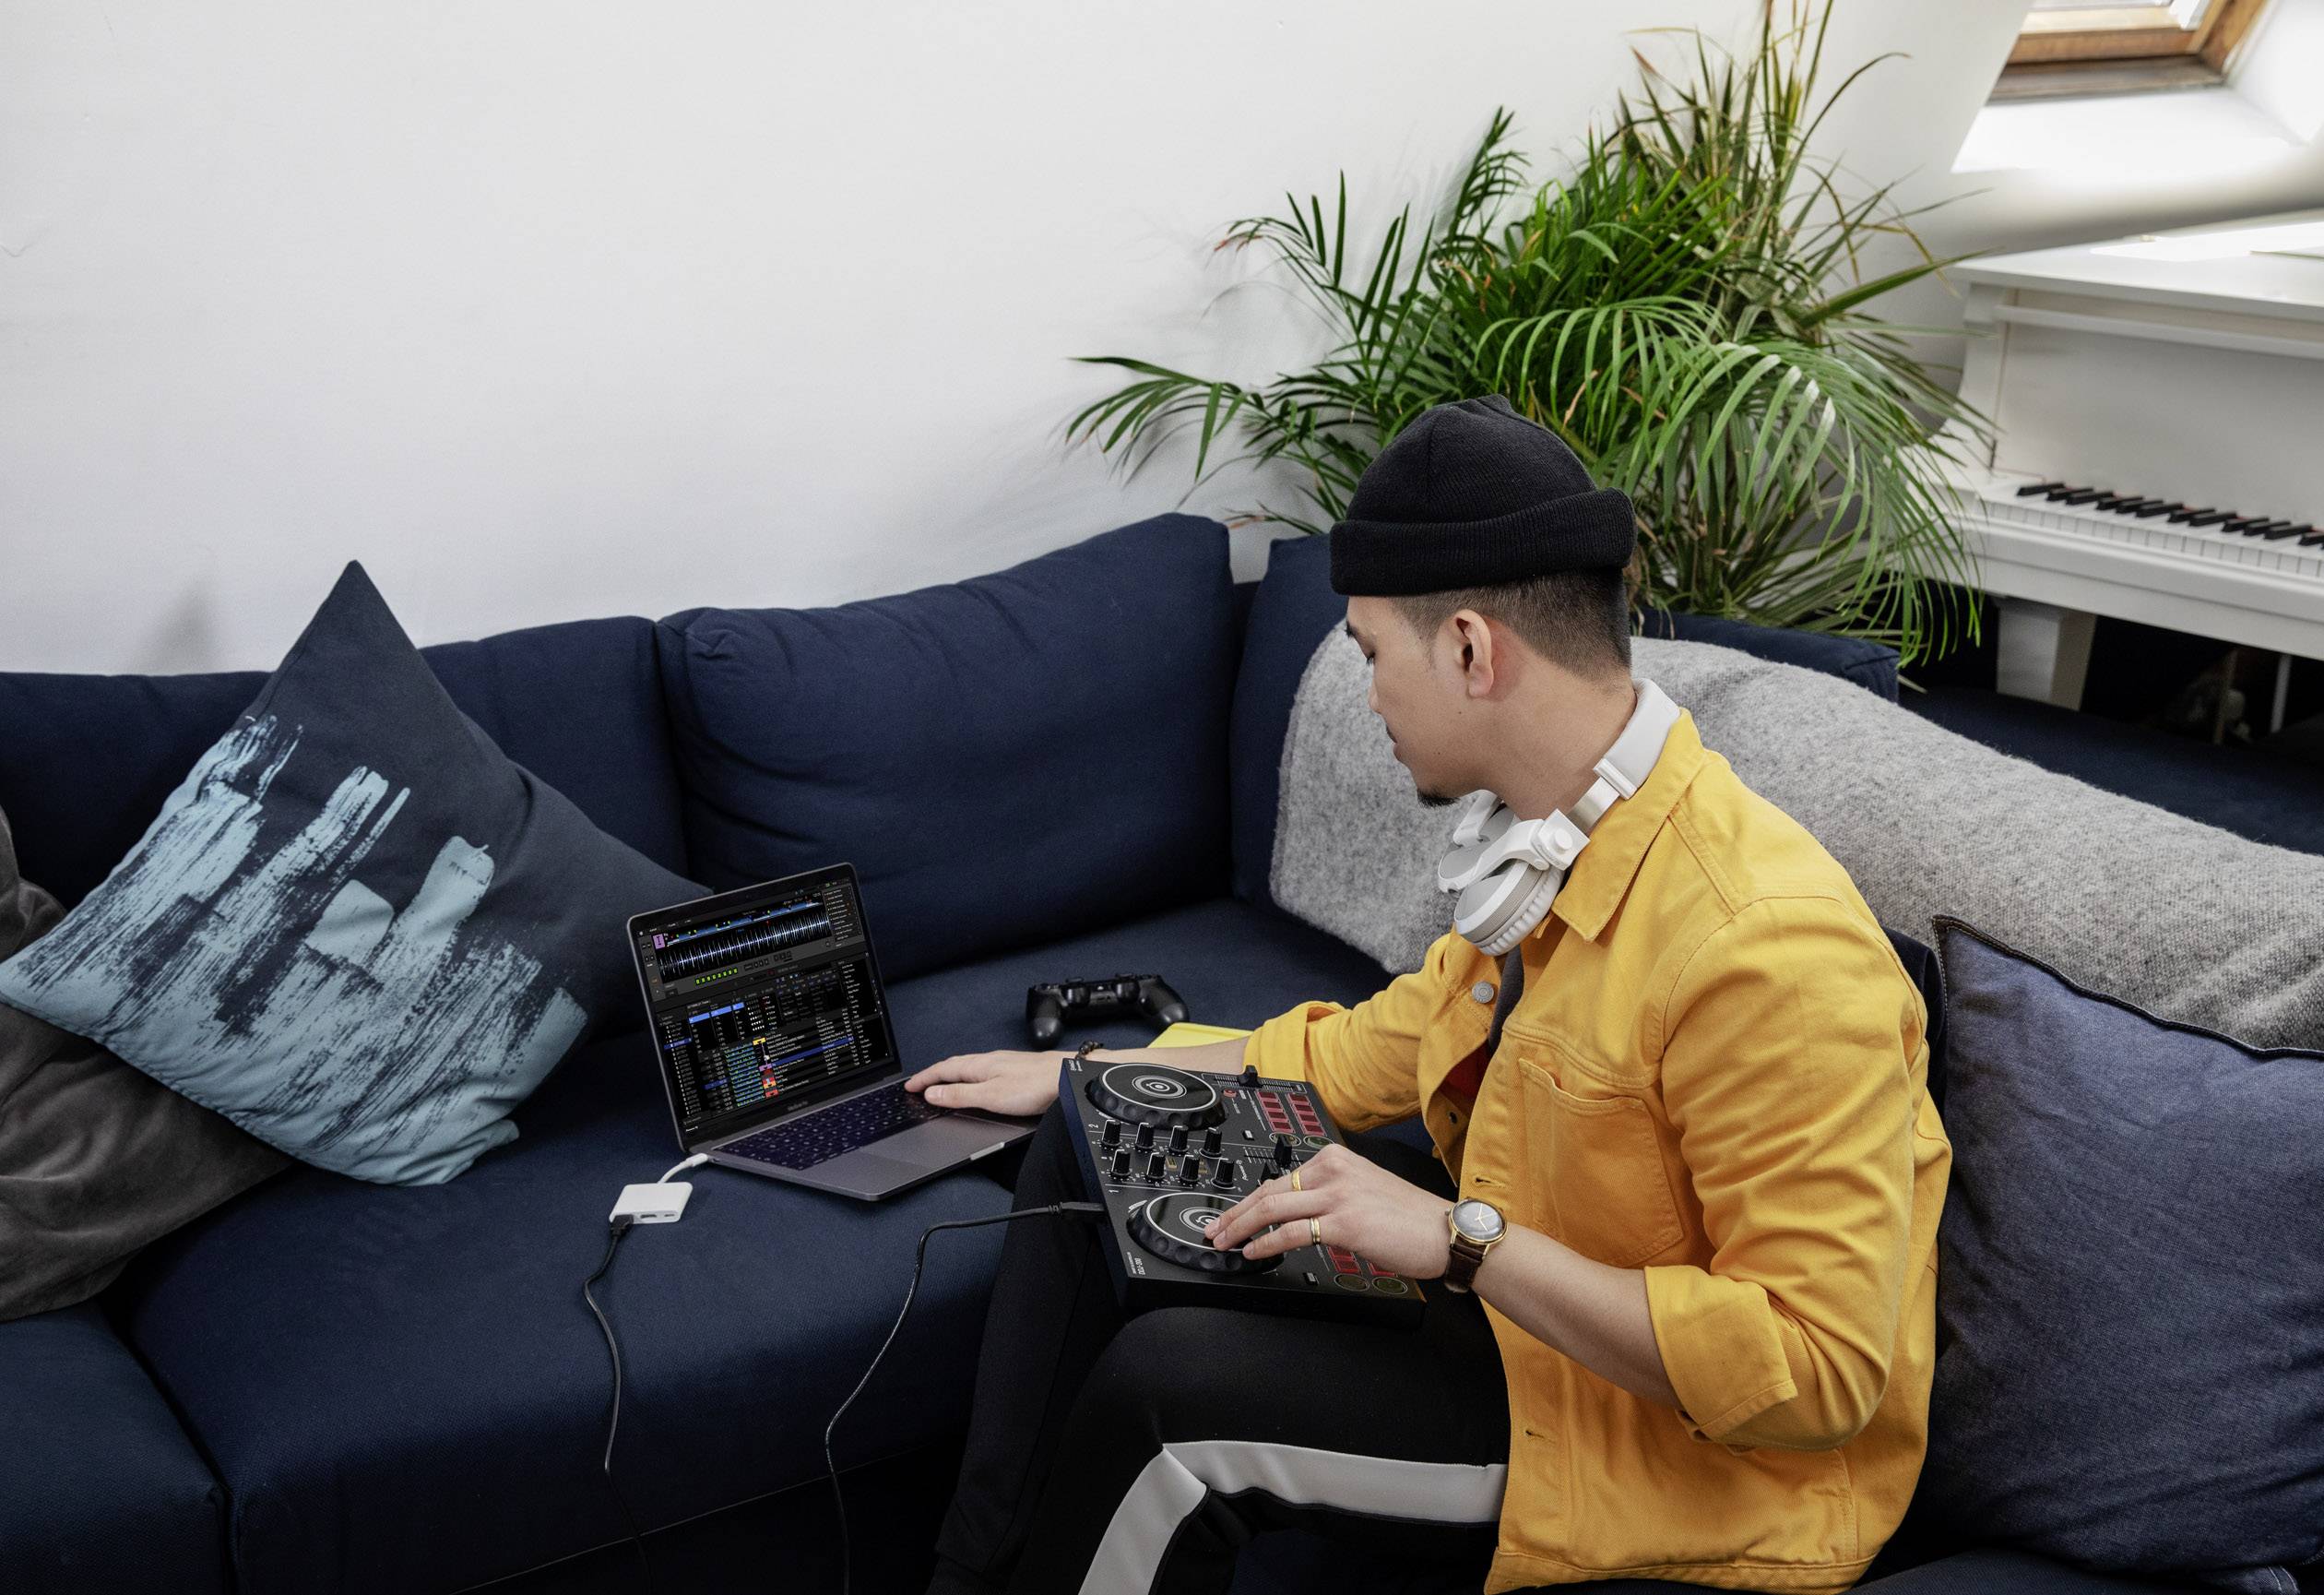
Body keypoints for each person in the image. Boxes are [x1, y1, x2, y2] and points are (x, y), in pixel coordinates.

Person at [903, 394, 1952, 1595]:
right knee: (1088, 1140)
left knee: (1172, 1410)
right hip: (1515, 1290)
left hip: (1678, 1451)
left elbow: (1813, 1371)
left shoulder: (1767, 946)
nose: (1370, 697)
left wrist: (1460, 1243)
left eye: (1368, 655)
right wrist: (1097, 1075)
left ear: (1468, 647)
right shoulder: (1550, 847)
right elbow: (1372, 1049)